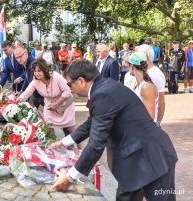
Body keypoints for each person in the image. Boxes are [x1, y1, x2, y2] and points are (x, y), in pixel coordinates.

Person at [50, 59, 178, 201]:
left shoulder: (102, 94)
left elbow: (96, 144)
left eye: (70, 84)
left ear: (81, 80)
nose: (70, 88)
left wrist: (71, 177)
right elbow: (92, 122)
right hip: (134, 160)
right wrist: (63, 142)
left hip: (153, 157)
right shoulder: (103, 87)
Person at [19, 58, 75, 136]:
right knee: (49, 127)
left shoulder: (56, 76)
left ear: (45, 70)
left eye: (39, 71)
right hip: (49, 106)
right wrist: (17, 100)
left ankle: (79, 147)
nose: (36, 74)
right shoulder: (35, 81)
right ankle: (52, 145)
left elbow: (67, 91)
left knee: (70, 128)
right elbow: (27, 93)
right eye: (34, 71)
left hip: (64, 104)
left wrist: (57, 104)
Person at [135, 44, 166, 126]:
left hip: (150, 124)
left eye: (137, 55)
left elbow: (161, 101)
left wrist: (157, 123)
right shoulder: (144, 71)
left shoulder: (155, 74)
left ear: (146, 56)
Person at [128, 52, 159, 122]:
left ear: (132, 66)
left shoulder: (147, 87)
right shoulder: (136, 84)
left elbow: (150, 117)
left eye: (128, 64)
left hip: (145, 131)